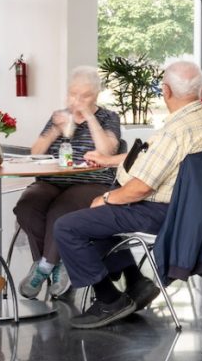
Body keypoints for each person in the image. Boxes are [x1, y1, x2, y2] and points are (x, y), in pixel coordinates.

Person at [55, 58, 202, 328]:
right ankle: (135, 281)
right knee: (96, 221)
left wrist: (106, 199)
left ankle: (109, 300)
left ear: (166, 91)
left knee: (68, 227)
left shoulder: (175, 131)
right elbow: (153, 158)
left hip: (158, 211)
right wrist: (109, 161)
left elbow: (141, 188)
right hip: (186, 211)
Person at [15, 66, 123, 300]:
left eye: (84, 95)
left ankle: (42, 269)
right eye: (74, 94)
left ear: (96, 95)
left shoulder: (108, 117)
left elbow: (108, 151)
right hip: (52, 179)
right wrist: (55, 129)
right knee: (27, 206)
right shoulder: (59, 115)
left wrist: (90, 117)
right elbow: (35, 153)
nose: (77, 100)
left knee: (61, 210)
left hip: (92, 182)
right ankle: (55, 262)